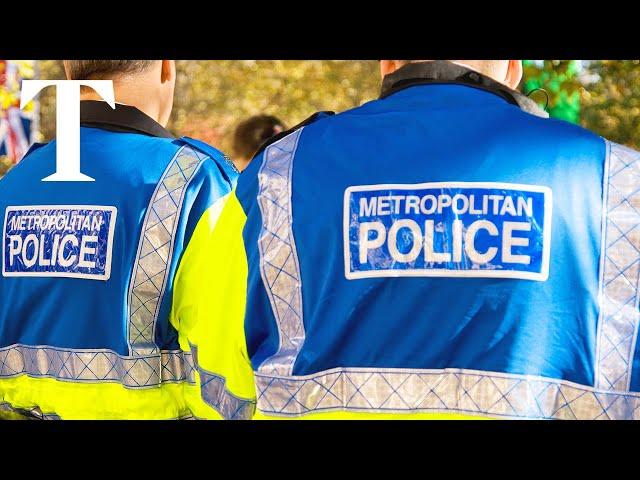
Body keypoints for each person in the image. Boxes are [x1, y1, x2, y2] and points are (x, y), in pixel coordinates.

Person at [183, 59, 640, 419]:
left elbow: (218, 370)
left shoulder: (275, 176)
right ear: (512, 66)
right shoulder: (618, 183)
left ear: (388, 63)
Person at [0, 60, 241, 419]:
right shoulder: (195, 183)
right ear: (165, 68)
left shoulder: (13, 186)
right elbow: (232, 369)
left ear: (69, 72)